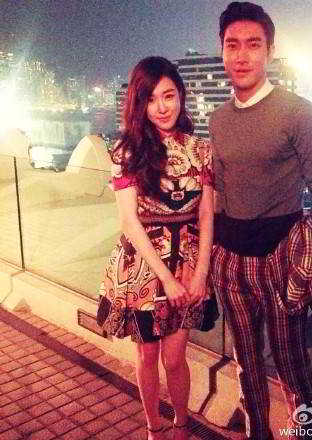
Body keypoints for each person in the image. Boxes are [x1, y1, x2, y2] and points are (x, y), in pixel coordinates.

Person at [209, 3, 312, 440]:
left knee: (291, 361)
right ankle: (256, 432)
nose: (242, 55)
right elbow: (220, 191)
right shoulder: (218, 119)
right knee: (245, 361)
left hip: (283, 259)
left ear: (269, 50)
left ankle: (308, 430)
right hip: (231, 263)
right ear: (222, 50)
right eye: (232, 45)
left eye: (253, 44)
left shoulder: (297, 111)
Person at [97, 56, 215, 440]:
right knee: (147, 355)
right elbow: (129, 221)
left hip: (188, 263)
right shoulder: (127, 152)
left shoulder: (201, 150)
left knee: (175, 358)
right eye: (151, 99)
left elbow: (206, 215)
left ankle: (181, 424)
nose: (162, 107)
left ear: (181, 96)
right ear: (139, 103)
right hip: (142, 267)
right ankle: (153, 428)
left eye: (169, 96)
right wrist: (166, 278)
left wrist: (200, 274)